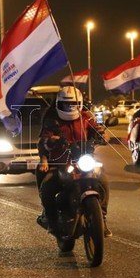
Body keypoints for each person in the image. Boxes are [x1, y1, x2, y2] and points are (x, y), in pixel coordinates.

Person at [37, 86, 112, 237]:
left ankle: (102, 218)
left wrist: (103, 136)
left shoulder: (85, 117)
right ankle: (51, 220)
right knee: (47, 187)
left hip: (84, 159)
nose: (71, 107)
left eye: (74, 104)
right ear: (60, 104)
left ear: (80, 103)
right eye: (67, 104)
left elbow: (98, 130)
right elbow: (44, 139)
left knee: (103, 179)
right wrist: (52, 141)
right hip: (60, 162)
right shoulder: (52, 119)